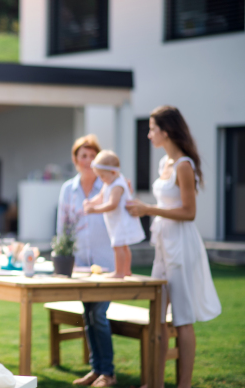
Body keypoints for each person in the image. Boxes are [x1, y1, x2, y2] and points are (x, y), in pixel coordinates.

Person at [126, 106, 221, 388]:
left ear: (166, 131)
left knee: (181, 318)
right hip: (163, 244)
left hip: (181, 244)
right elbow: (164, 203)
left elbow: (189, 212)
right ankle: (154, 382)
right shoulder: (164, 163)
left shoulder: (183, 165)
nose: (148, 134)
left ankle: (184, 385)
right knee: (158, 317)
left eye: (152, 129)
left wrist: (148, 209)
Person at [57, 135, 117, 387]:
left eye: (93, 156)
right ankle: (96, 370)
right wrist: (63, 256)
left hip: (107, 263)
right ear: (75, 159)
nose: (88, 160)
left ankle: (109, 374)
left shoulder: (108, 187)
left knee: (99, 316)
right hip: (79, 263)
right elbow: (62, 226)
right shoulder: (67, 189)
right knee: (89, 315)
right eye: (84, 155)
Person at [83, 150, 145, 278]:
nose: (101, 179)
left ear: (113, 172)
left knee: (118, 246)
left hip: (121, 222)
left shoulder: (118, 185)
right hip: (116, 222)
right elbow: (101, 196)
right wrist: (91, 202)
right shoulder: (109, 182)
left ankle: (120, 272)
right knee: (123, 246)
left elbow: (112, 204)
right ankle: (126, 270)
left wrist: (94, 210)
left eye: (102, 176)